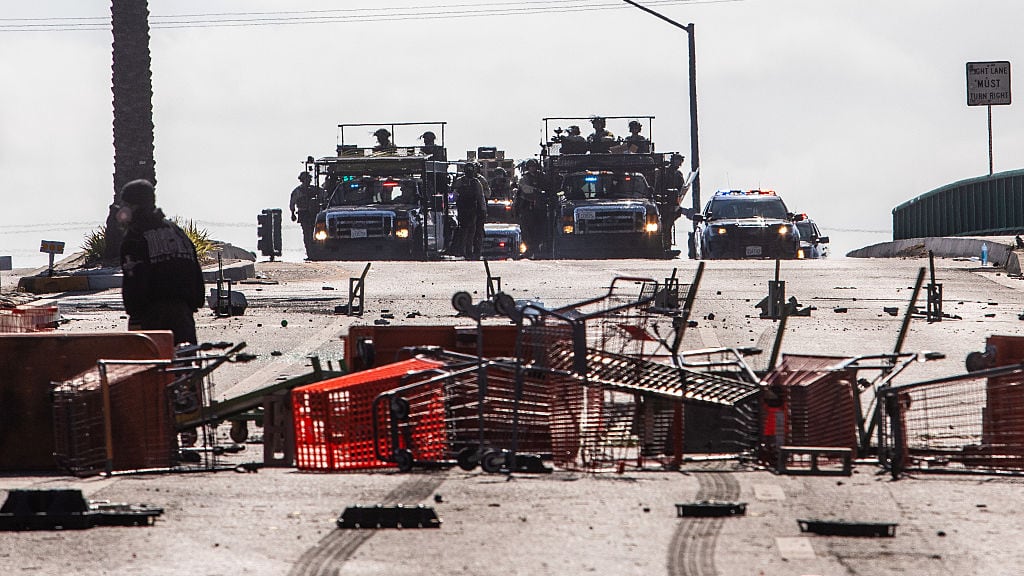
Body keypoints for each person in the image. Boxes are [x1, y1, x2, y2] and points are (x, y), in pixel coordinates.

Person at [117, 179, 206, 346]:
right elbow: (195, 272)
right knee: (185, 364)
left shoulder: (135, 237)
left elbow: (135, 281)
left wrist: (135, 316)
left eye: (124, 204)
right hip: (184, 315)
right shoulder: (177, 232)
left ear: (134, 207)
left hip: (153, 318)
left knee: (157, 368)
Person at [515, 158, 552, 257]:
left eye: (534, 166)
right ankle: (529, 249)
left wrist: (545, 194)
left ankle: (540, 248)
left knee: (541, 229)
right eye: (531, 166)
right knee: (527, 229)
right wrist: (536, 190)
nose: (532, 168)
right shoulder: (525, 178)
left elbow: (548, 187)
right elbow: (524, 189)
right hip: (528, 207)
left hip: (540, 207)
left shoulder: (542, 177)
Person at [452, 162, 488, 260]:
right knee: (466, 231)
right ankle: (464, 251)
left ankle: (467, 251)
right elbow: (454, 195)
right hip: (464, 209)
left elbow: (481, 197)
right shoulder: (461, 181)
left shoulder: (476, 182)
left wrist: (483, 210)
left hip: (471, 209)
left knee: (470, 231)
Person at [289, 171, 324, 257]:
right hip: (303, 213)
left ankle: (316, 250)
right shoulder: (297, 191)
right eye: (306, 179)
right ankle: (309, 251)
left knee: (316, 233)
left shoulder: (315, 189)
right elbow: (292, 203)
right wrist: (292, 213)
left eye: (309, 179)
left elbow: (324, 195)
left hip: (314, 213)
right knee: (307, 233)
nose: (308, 181)